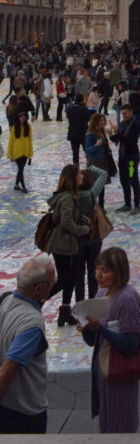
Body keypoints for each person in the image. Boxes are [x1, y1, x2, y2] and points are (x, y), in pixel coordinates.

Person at [78, 246, 140, 433]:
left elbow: (131, 345)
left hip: (120, 375)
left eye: (105, 270)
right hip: (103, 372)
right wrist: (86, 328)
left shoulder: (126, 300)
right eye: (97, 269)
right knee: (107, 425)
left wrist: (100, 328)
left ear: (119, 272)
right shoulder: (101, 295)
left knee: (120, 425)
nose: (98, 275)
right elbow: (94, 341)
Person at [0, 255, 56, 433]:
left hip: (7, 407)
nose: (54, 285)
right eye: (52, 282)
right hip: (25, 414)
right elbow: (7, 371)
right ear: (39, 289)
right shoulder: (31, 324)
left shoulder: (6, 300)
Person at [45, 164, 92, 326]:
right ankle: (37, 301)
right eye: (79, 174)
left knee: (70, 277)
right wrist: (82, 229)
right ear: (72, 177)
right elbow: (65, 221)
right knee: (65, 279)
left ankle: (64, 311)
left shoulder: (69, 196)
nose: (82, 176)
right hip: (62, 244)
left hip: (65, 243)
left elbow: (67, 216)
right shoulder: (66, 198)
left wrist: (80, 217)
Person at [73, 166, 109, 302]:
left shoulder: (69, 197)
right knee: (94, 272)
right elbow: (104, 173)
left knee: (78, 274)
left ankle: (80, 304)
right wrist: (91, 167)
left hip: (77, 240)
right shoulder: (91, 195)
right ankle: (93, 302)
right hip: (93, 238)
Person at [110, 103, 140, 215]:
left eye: (125, 113)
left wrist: (117, 132)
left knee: (133, 180)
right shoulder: (122, 123)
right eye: (122, 113)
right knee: (124, 180)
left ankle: (137, 205)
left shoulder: (136, 124)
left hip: (131, 158)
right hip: (122, 157)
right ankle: (127, 204)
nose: (123, 115)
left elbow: (129, 140)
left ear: (131, 112)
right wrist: (111, 134)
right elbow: (118, 140)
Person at [84, 113, 115, 205]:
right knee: (95, 184)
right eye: (101, 120)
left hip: (103, 161)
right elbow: (87, 150)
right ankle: (93, 205)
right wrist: (96, 146)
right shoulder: (91, 134)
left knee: (101, 184)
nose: (103, 122)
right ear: (96, 122)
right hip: (95, 162)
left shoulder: (101, 132)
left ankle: (101, 204)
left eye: (104, 120)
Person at [7, 111, 32, 193]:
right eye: (21, 116)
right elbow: (11, 142)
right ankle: (23, 186)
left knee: (21, 169)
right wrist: (10, 154)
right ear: (18, 118)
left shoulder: (28, 127)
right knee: (21, 169)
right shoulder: (14, 128)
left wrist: (30, 153)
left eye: (24, 116)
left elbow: (30, 141)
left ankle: (16, 185)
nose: (23, 117)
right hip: (17, 152)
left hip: (25, 151)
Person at [65, 93, 89, 165]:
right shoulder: (84, 109)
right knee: (87, 151)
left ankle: (75, 170)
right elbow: (88, 118)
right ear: (82, 100)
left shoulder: (69, 108)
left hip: (73, 134)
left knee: (75, 153)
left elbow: (68, 117)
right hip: (83, 134)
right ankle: (90, 167)